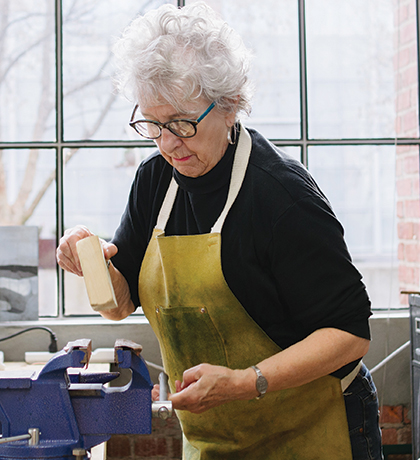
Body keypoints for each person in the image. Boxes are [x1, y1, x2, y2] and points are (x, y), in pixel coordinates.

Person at [56, 3, 383, 459]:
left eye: (182, 124)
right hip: (217, 433)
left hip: (312, 423)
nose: (168, 143)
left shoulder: (281, 197)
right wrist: (86, 256)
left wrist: (245, 382)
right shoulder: (154, 181)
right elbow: (122, 300)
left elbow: (350, 333)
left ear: (229, 106)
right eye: (153, 125)